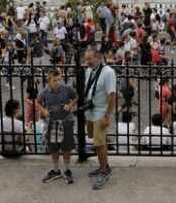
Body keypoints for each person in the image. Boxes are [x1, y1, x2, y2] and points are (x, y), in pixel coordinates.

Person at [36, 69, 78, 185]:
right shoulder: (45, 91)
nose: (58, 82)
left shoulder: (67, 89)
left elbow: (76, 97)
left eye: (59, 79)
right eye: (55, 80)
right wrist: (43, 110)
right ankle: (55, 170)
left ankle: (67, 170)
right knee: (53, 147)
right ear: (49, 80)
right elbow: (37, 102)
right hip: (51, 122)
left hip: (66, 121)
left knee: (66, 147)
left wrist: (69, 105)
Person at [83, 49, 116, 190]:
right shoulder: (90, 70)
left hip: (101, 113)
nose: (87, 62)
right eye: (86, 59)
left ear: (98, 57)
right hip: (91, 112)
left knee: (100, 143)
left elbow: (112, 95)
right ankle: (105, 166)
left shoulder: (108, 72)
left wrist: (107, 116)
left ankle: (103, 172)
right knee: (97, 142)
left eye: (89, 59)